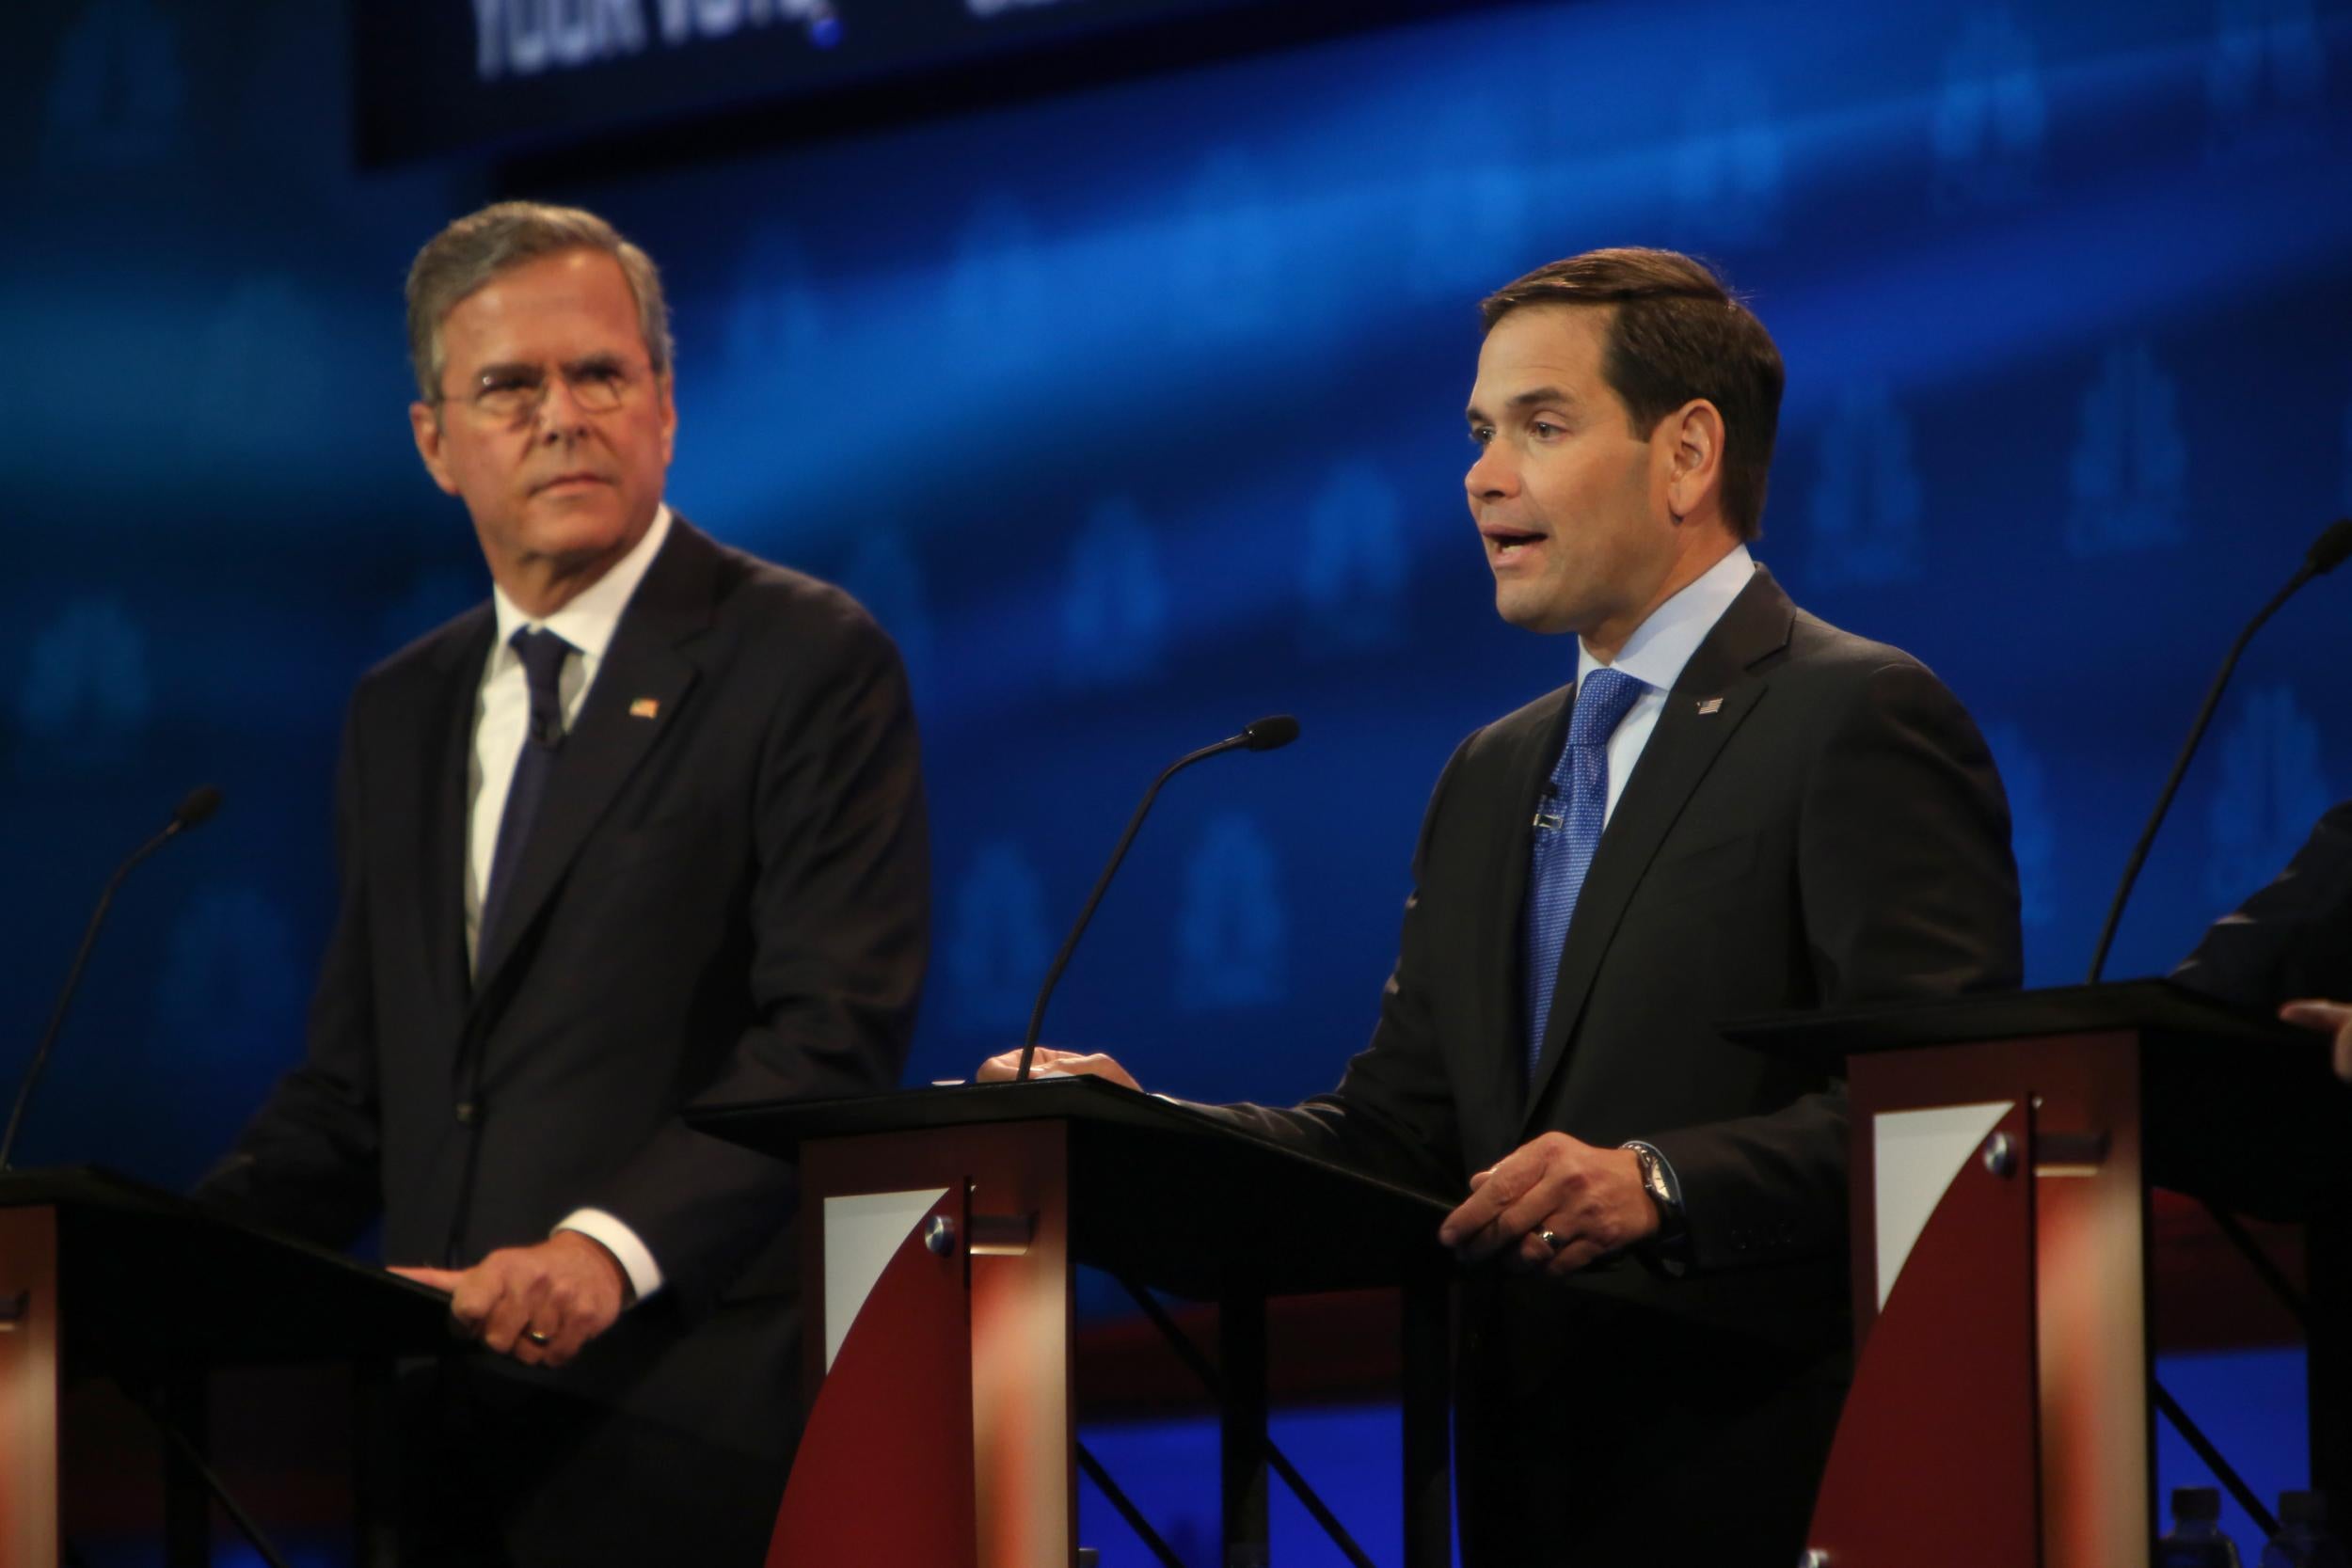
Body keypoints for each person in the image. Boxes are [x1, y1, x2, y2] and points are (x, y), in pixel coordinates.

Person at [984, 247, 2022, 1564]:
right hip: (1528, 1487)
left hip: (1788, 1475)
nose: (1483, 476)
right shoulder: (1491, 771)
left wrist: (1662, 1182)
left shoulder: (1854, 715)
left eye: (1542, 425)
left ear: (1687, 455)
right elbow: (1407, 1134)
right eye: (1478, 433)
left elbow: (1949, 1110)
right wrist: (1152, 1136)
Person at [196, 202, 929, 1562]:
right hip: (440, 1440)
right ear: (435, 442)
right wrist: (167, 1267)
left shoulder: (804, 660)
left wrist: (603, 1247)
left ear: (663, 403)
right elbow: (359, 1090)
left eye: (599, 374)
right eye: (509, 386)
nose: (561, 417)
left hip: (694, 1419)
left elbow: (831, 1034)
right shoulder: (397, 711)